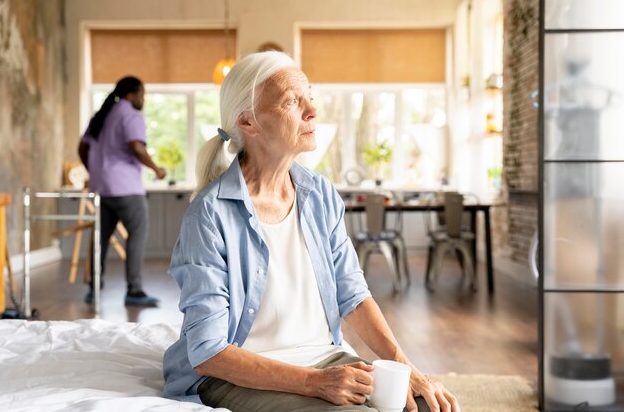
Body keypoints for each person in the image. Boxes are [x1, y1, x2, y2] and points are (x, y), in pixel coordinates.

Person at [163, 52, 460, 412]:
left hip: (326, 358)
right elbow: (209, 352)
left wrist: (408, 368)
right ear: (248, 122)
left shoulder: (319, 194)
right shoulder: (208, 216)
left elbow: (352, 294)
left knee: (428, 407)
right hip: (240, 375)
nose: (312, 111)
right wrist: (314, 383)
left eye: (310, 97)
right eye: (292, 101)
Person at [78, 76, 166, 307]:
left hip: (101, 188)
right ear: (132, 94)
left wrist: (94, 170)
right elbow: (136, 146)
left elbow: (82, 147)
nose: (143, 99)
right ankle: (134, 290)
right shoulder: (130, 115)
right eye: (142, 94)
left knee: (99, 240)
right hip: (126, 188)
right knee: (137, 234)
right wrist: (156, 169)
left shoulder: (101, 115)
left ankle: (94, 288)